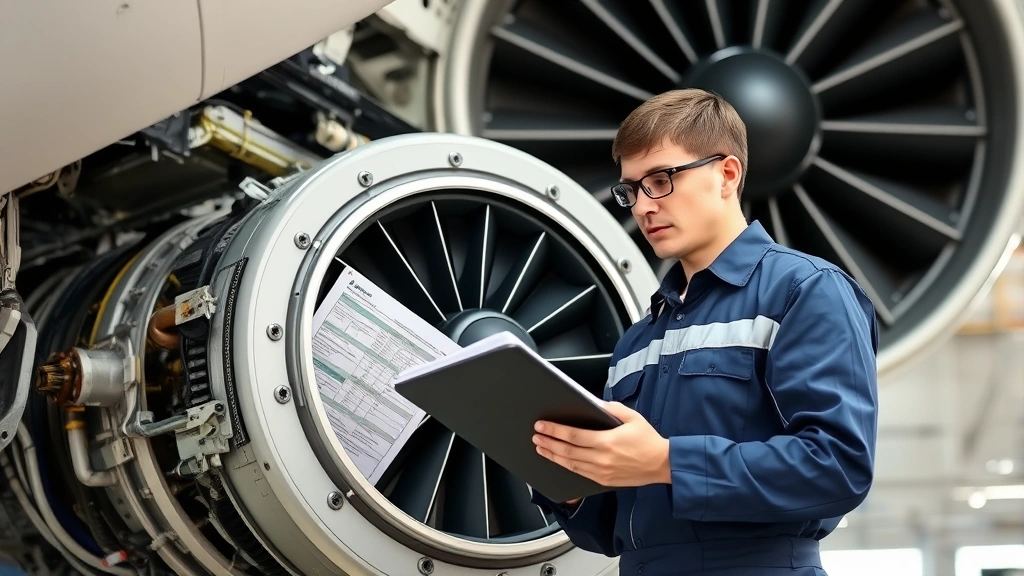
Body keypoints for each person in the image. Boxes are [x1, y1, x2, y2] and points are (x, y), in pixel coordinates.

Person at [529, 88, 879, 576]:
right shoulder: (637, 342)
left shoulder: (805, 292)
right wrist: (568, 482)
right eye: (632, 189)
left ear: (727, 174)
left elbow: (837, 468)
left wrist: (667, 462)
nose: (644, 206)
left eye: (662, 179)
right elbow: (612, 530)